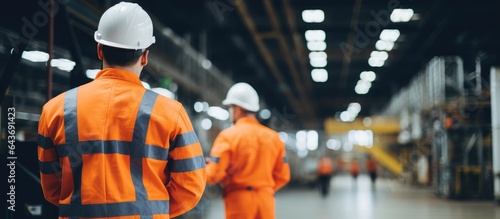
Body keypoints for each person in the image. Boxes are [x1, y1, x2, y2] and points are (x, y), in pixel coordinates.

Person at [37, 2, 206, 218]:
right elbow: (190, 187)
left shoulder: (54, 110)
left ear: (100, 49)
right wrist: (152, 210)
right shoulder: (170, 112)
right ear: (145, 56)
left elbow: (52, 188)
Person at [205, 82, 290, 219]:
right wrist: (264, 189)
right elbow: (283, 176)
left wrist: (203, 168)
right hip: (266, 200)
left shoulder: (228, 136)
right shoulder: (274, 138)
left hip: (239, 201)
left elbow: (213, 175)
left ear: (237, 109)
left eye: (230, 108)